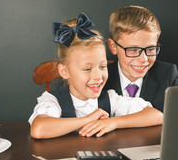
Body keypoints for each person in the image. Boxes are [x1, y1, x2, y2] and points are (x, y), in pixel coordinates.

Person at [29, 11, 163, 139]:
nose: (98, 76)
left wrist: (113, 122)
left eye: (102, 67)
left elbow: (157, 116)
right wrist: (88, 119)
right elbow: (39, 129)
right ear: (64, 71)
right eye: (87, 69)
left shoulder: (110, 99)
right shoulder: (53, 101)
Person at [104, 5, 178, 112]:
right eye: (132, 50)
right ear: (113, 47)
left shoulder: (168, 75)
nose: (143, 59)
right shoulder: (100, 80)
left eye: (150, 49)